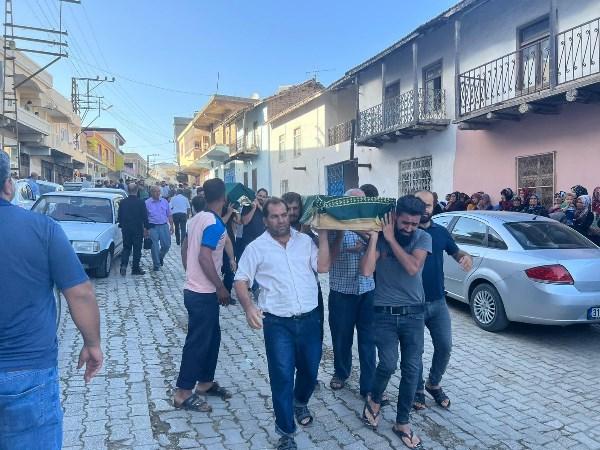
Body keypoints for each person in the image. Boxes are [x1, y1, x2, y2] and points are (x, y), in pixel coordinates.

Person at [0, 151, 103, 449]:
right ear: (9, 186)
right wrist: (93, 345)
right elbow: (80, 293)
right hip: (27, 371)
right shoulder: (42, 229)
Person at [234, 198, 331, 450]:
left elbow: (322, 267)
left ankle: (300, 401)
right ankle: (286, 432)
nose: (281, 220)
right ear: (265, 220)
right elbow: (241, 280)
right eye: (275, 216)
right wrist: (249, 307)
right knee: (282, 376)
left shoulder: (305, 241)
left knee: (310, 371)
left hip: (310, 320)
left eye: (284, 215)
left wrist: (323, 236)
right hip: (278, 324)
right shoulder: (256, 248)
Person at [360, 195, 432, 450]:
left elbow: (413, 267)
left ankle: (402, 422)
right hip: (384, 313)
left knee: (412, 370)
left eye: (414, 223)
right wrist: (376, 239)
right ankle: (375, 398)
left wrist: (391, 238)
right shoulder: (382, 239)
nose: (409, 228)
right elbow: (366, 271)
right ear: (394, 217)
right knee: (388, 364)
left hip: (414, 314)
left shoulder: (423, 238)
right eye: (404, 223)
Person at [174, 178, 232, 413]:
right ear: (224, 197)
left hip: (195, 289)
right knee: (197, 342)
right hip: (203, 293)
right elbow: (204, 257)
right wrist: (220, 287)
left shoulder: (195, 219)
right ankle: (183, 392)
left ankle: (205, 382)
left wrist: (191, 274)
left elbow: (185, 248)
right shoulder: (215, 225)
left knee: (212, 338)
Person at [413, 191, 472, 411]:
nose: (424, 209)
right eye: (420, 204)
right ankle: (417, 389)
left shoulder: (441, 232)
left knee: (445, 346)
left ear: (434, 206)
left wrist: (466, 258)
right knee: (415, 350)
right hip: (413, 304)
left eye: (428, 205)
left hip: (438, 302)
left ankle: (433, 384)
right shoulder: (407, 231)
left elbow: (457, 253)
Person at [327, 189, 376, 399]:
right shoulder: (333, 225)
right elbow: (328, 257)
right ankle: (341, 373)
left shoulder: (371, 225)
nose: (356, 207)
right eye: (351, 203)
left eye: (360, 203)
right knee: (341, 338)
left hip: (367, 291)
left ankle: (369, 385)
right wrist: (346, 240)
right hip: (342, 292)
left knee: (368, 341)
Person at [118, 183, 149, 276]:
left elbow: (119, 215)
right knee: (137, 249)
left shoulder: (123, 202)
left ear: (127, 190)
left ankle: (123, 265)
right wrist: (147, 228)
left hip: (126, 228)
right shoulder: (141, 202)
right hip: (137, 229)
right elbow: (145, 216)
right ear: (137, 190)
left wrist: (121, 224)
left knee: (126, 247)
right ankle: (135, 269)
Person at [145, 185, 174, 271]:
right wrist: (145, 229)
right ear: (151, 193)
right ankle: (156, 264)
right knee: (154, 246)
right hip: (152, 226)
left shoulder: (164, 201)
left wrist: (172, 225)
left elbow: (169, 214)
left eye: (158, 191)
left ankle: (160, 256)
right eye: (155, 191)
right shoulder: (147, 203)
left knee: (166, 245)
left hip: (164, 225)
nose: (157, 193)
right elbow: (145, 217)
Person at [240, 188, 268, 254]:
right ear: (256, 195)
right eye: (260, 196)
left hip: (262, 243)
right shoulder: (247, 206)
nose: (261, 198)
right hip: (249, 242)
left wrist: (259, 206)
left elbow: (268, 217)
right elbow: (245, 222)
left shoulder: (266, 208)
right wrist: (254, 208)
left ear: (266, 198)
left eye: (264, 197)